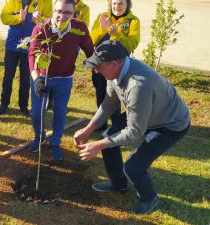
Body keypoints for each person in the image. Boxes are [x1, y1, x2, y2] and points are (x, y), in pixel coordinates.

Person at [74, 40, 190, 214]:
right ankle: (118, 184)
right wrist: (88, 129)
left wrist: (98, 146)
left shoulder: (138, 85)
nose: (95, 70)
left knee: (133, 166)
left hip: (170, 124)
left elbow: (135, 131)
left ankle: (149, 198)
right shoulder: (113, 74)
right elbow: (109, 104)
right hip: (144, 112)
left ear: (115, 64)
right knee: (107, 136)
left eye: (98, 66)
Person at [29, 0, 93, 160]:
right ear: (53, 10)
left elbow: (90, 50)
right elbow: (32, 53)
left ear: (73, 13)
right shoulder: (42, 28)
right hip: (42, 77)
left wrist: (97, 66)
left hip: (64, 78)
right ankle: (39, 137)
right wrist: (36, 79)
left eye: (67, 13)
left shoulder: (79, 28)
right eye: (58, 11)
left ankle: (55, 143)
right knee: (37, 111)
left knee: (60, 111)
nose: (61, 16)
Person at [0, 0, 52, 116]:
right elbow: (3, 17)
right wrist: (18, 18)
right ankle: (4, 103)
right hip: (12, 45)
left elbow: (50, 21)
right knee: (8, 77)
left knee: (25, 78)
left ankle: (23, 106)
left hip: (30, 46)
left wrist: (37, 20)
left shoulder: (45, 1)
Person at [90, 0, 140, 131]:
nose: (117, 6)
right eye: (114, 3)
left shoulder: (132, 21)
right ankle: (100, 125)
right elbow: (91, 40)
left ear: (127, 4)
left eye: (120, 3)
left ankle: (116, 126)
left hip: (118, 67)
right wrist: (102, 30)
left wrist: (116, 34)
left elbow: (132, 45)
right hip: (100, 64)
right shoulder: (102, 17)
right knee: (100, 93)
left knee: (115, 97)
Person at [46, 0, 89, 110]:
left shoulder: (84, 8)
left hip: (72, 38)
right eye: (60, 11)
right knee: (51, 64)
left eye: (68, 12)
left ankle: (57, 101)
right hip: (56, 38)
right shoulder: (59, 4)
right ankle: (49, 98)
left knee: (64, 63)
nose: (63, 14)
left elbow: (84, 29)